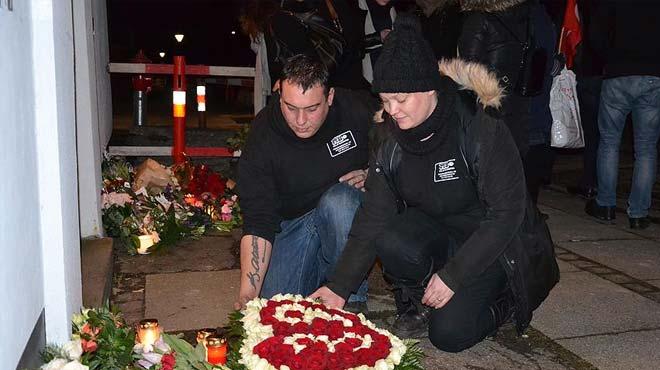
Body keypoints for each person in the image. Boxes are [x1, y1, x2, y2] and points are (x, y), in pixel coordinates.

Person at [311, 14, 559, 351]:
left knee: (450, 335)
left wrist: (454, 276)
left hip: (495, 246)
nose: (392, 111)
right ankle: (422, 302)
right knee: (387, 234)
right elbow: (373, 218)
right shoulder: (389, 138)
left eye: (401, 99)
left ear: (429, 88)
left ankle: (509, 300)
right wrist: (339, 286)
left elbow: (506, 215)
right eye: (385, 101)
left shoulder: (479, 127)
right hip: (442, 236)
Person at [235, 54, 379, 312]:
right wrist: (247, 295)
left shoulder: (356, 109)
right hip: (294, 224)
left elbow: (400, 140)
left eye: (312, 109)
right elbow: (258, 217)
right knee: (276, 303)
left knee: (340, 202)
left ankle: (352, 297)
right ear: (280, 95)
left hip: (342, 210)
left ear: (330, 97)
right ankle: (320, 279)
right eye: (291, 107)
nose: (300, 121)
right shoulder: (264, 133)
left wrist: (374, 172)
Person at [458, 0, 556, 203]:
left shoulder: (478, 20)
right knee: (512, 175)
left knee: (486, 179)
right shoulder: (524, 17)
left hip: (486, 109)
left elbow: (469, 74)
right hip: (517, 107)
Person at [585, 1, 660, 230]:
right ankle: (638, 213)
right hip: (653, 75)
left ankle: (606, 204)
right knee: (646, 148)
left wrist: (610, 57)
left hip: (618, 73)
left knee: (609, 142)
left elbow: (595, 33)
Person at [359, 0, 396, 84]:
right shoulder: (360, 5)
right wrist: (379, 37)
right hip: (372, 65)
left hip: (392, 62)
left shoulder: (391, 6)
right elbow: (355, 42)